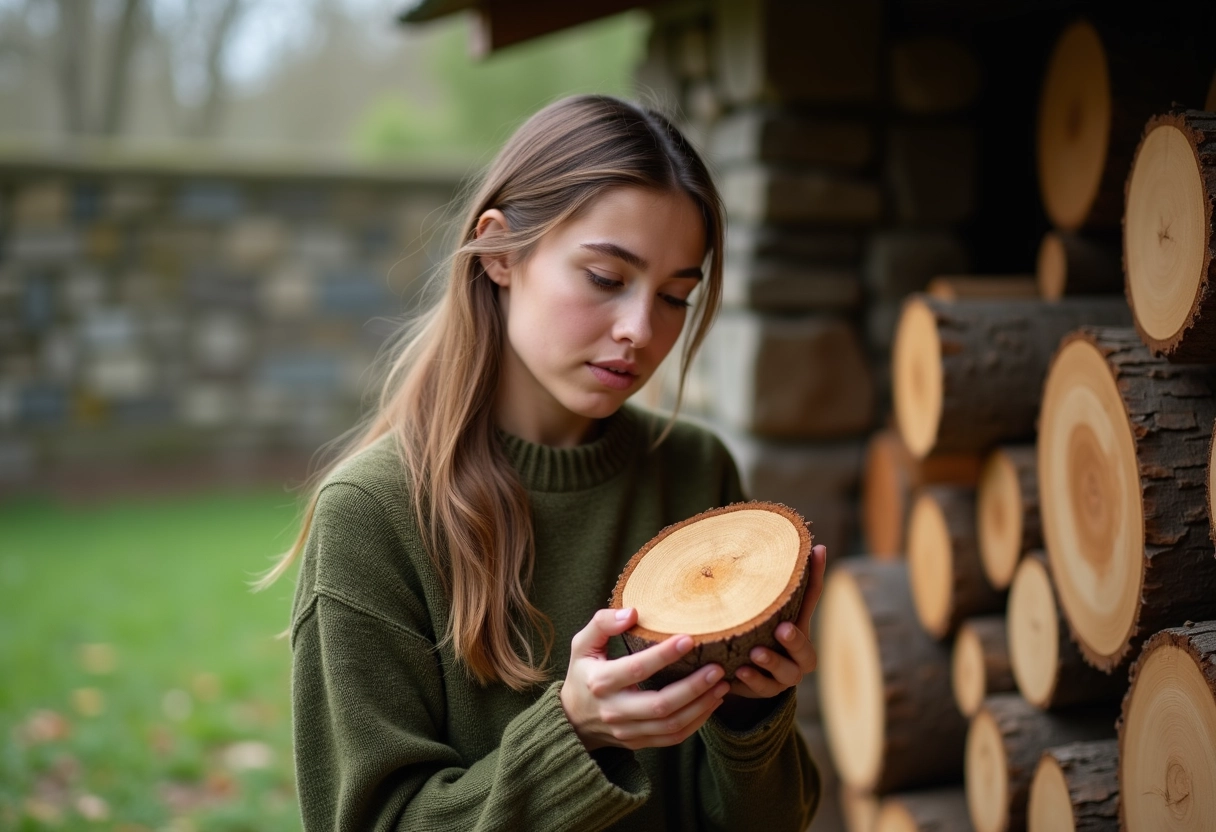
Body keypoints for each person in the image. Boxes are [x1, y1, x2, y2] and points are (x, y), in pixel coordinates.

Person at [259, 93, 826, 831]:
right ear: (499, 252)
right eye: (604, 277)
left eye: (675, 296)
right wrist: (576, 731)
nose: (639, 330)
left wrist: (753, 718)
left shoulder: (695, 472)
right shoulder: (371, 513)